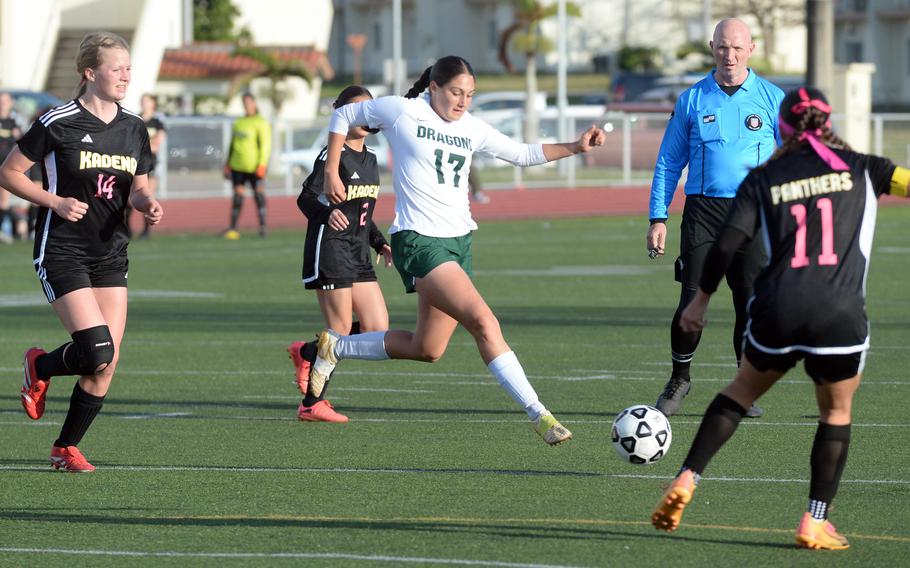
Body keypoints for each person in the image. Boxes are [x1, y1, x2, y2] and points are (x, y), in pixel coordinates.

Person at [650, 86, 910, 549]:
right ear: (829, 123)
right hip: (839, 313)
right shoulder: (868, 169)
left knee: (740, 392)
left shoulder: (763, 178)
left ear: (781, 126)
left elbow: (726, 245)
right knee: (836, 412)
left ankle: (687, 477)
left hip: (779, 309)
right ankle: (814, 520)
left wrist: (699, 300)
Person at [303, 55, 605, 445]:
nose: (463, 101)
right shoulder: (402, 110)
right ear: (434, 87)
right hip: (419, 242)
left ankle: (336, 346)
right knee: (483, 321)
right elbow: (343, 115)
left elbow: (522, 153)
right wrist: (330, 171)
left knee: (427, 348)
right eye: (456, 92)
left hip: (458, 243)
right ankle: (540, 415)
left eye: (470, 95)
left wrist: (576, 147)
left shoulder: (472, 127)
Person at [0, 31, 163, 472]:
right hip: (62, 250)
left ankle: (64, 448)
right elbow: (9, 172)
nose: (126, 76)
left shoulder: (134, 127)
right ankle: (41, 365)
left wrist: (147, 204)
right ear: (90, 73)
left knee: (106, 362)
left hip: (110, 253)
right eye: (117, 69)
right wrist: (54, 201)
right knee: (95, 349)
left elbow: (139, 185)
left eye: (129, 68)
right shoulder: (59, 121)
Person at [646, 18, 785, 417]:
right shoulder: (692, 99)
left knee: (750, 304)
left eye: (738, 48)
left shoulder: (772, 98)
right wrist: (658, 218)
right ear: (712, 47)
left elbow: (793, 160)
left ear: (751, 49)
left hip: (752, 213)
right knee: (692, 301)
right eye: (723, 47)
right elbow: (669, 162)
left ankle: (745, 388)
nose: (730, 56)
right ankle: (679, 379)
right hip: (704, 212)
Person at [289, 85, 393, 423]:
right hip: (330, 249)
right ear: (341, 114)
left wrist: (379, 241)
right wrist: (324, 212)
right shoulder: (331, 156)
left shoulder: (372, 159)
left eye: (368, 109)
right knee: (339, 331)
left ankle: (307, 351)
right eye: (355, 109)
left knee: (378, 328)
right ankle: (311, 403)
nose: (363, 116)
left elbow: (364, 210)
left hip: (359, 252)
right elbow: (307, 198)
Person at [222, 92, 271, 239]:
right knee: (238, 196)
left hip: (254, 166)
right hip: (237, 165)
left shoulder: (260, 122)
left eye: (249, 102)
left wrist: (262, 164)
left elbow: (265, 145)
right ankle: (233, 228)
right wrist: (227, 163)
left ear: (254, 103)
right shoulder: (239, 122)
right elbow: (232, 144)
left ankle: (262, 226)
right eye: (244, 103)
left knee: (258, 194)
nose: (247, 105)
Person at [124, 93, 165, 239]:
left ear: (153, 103)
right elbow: (130, 143)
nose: (143, 103)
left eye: (146, 101)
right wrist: (147, 144)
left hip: (151, 165)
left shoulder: (157, 121)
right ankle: (127, 228)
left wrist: (143, 145)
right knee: (129, 199)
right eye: (142, 101)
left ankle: (146, 230)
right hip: (135, 164)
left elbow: (157, 145)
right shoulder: (136, 120)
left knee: (148, 197)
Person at [0, 91, 22, 243]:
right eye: (0, 101)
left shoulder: (14, 123)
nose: (3, 104)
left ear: (11, 103)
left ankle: (3, 230)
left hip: (5, 167)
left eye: (5, 101)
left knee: (3, 201)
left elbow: (22, 144)